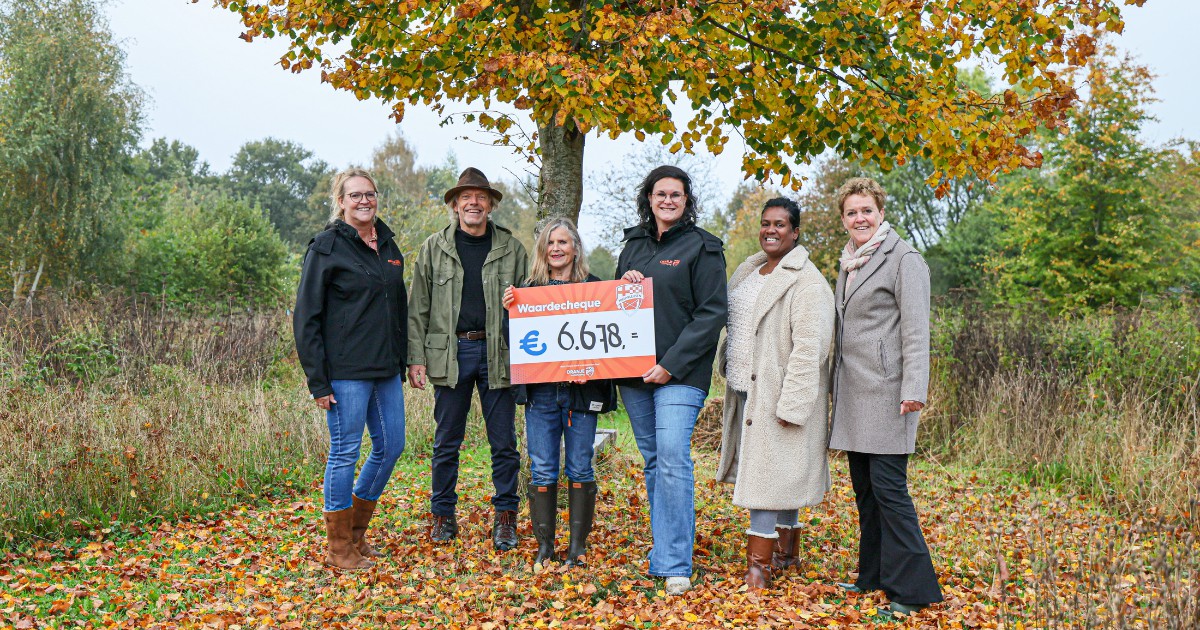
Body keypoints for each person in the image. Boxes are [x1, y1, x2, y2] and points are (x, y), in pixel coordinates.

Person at [828, 177, 944, 616]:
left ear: (880, 213)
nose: (859, 218)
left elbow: (916, 331)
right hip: (855, 394)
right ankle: (872, 576)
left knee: (890, 490)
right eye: (851, 212)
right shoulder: (850, 261)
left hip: (890, 394)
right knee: (866, 492)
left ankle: (913, 591)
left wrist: (915, 389)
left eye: (866, 211)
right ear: (844, 219)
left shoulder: (904, 259)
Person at [616, 165, 727, 595]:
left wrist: (671, 363)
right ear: (649, 198)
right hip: (635, 373)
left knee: (672, 455)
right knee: (654, 460)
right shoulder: (634, 246)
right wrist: (623, 284)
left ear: (686, 200)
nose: (667, 200)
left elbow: (713, 312)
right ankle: (663, 551)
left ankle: (675, 562)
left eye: (675, 195)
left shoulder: (702, 247)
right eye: (660, 193)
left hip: (681, 374)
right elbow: (619, 304)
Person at [716, 197, 835, 591]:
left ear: (795, 231)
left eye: (780, 224)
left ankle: (759, 568)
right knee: (776, 471)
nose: (771, 230)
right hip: (746, 386)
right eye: (766, 223)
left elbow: (810, 348)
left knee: (768, 476)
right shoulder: (751, 271)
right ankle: (786, 555)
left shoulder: (807, 282)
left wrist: (794, 403)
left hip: (777, 391)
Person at [407, 167, 529, 550]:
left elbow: (536, 302)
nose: (473, 202)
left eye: (481, 197)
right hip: (451, 354)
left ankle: (506, 518)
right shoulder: (433, 248)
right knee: (446, 442)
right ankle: (443, 516)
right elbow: (418, 309)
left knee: (504, 444)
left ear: (490, 205)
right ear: (455, 204)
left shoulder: (513, 249)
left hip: (499, 353)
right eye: (466, 196)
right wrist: (416, 358)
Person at [293, 167, 408, 570]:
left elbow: (399, 307)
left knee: (392, 445)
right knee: (344, 453)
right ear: (340, 201)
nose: (364, 201)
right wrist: (317, 381)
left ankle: (357, 534)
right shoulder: (325, 248)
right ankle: (339, 547)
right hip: (344, 372)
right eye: (355, 195)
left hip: (386, 369)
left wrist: (406, 359)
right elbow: (306, 317)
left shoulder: (389, 245)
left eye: (370, 194)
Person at [502, 217, 616, 569]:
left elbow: (609, 340)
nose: (556, 248)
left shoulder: (596, 289)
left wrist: (590, 369)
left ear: (575, 248)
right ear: (542, 250)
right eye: (550, 243)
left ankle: (577, 549)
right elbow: (515, 342)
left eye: (563, 242)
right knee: (542, 468)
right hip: (542, 394)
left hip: (582, 395)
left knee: (580, 466)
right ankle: (545, 547)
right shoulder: (528, 292)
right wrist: (511, 311)